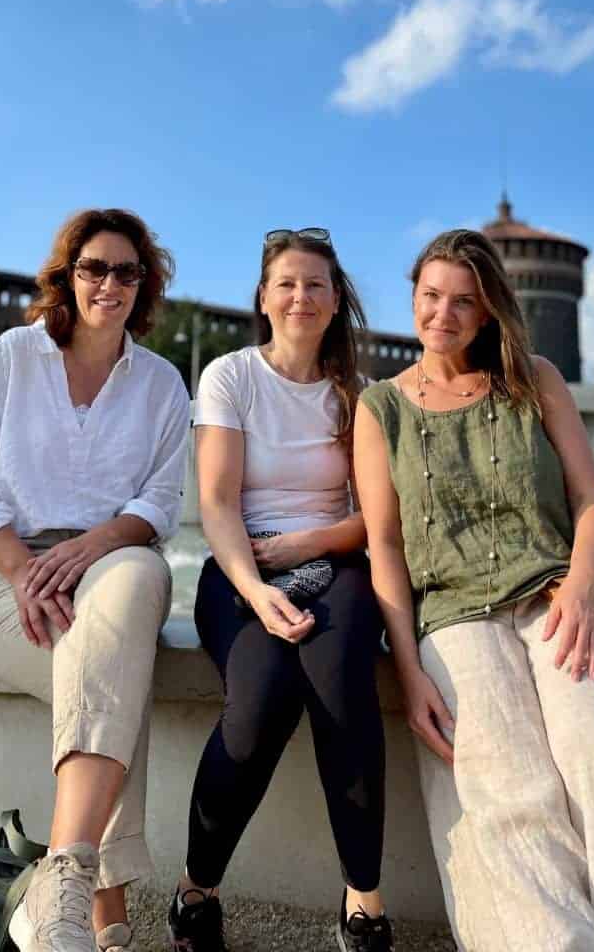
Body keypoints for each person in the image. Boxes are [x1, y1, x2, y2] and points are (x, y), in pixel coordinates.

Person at [353, 228, 594, 952]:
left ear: (487, 312)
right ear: (413, 296)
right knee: (507, 784)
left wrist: (580, 584)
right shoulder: (379, 407)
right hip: (453, 611)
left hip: (557, 592)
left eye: (462, 302)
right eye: (430, 297)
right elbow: (384, 543)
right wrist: (409, 668)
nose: (442, 315)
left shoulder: (532, 377)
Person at [0, 208, 190, 952]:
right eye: (93, 269)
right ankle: (103, 919)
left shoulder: (160, 383)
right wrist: (24, 571)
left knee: (134, 583)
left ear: (142, 286)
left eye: (125, 272)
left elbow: (160, 502)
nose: (108, 284)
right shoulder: (13, 357)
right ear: (67, 276)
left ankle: (64, 877)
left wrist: (94, 545)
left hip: (110, 562)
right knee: (114, 668)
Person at [168, 228, 392, 952]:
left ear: (335, 303)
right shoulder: (230, 377)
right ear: (263, 298)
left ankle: (363, 900)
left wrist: (307, 543)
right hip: (239, 569)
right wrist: (258, 589)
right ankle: (196, 888)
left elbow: (375, 520)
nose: (301, 296)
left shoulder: (356, 395)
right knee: (259, 701)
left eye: (316, 285)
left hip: (336, 568)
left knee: (340, 687)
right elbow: (216, 504)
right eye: (286, 283)